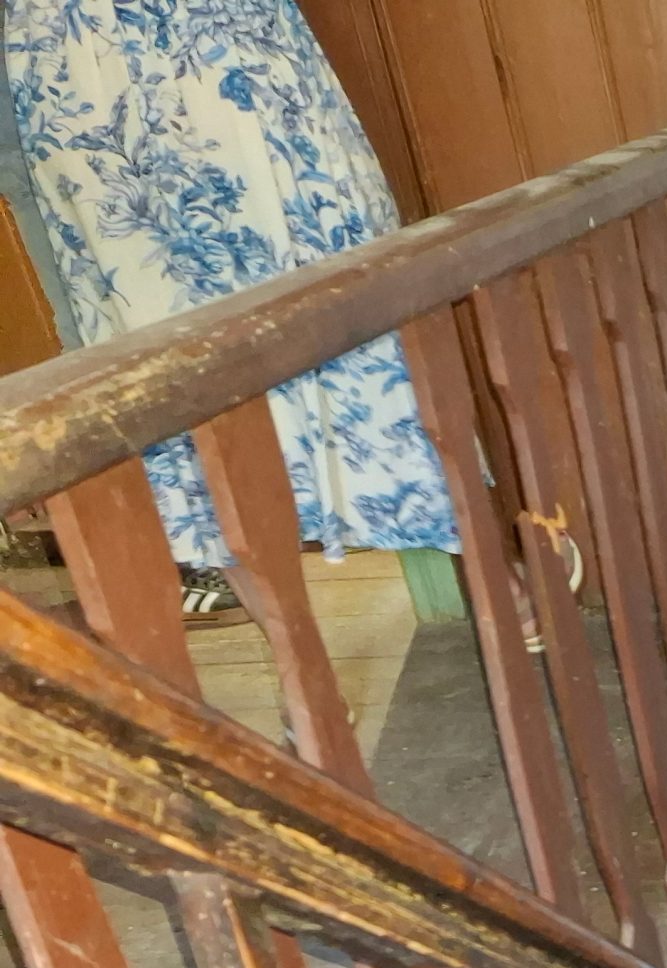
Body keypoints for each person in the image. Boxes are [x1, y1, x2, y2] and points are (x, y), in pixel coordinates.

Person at [5, 0, 460, 609]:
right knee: (153, 342)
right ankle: (285, 636)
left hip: (205, 39)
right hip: (71, 62)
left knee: (335, 293)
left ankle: (489, 575)